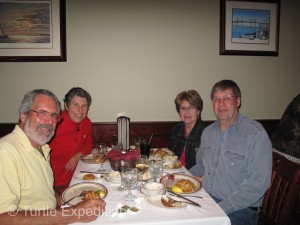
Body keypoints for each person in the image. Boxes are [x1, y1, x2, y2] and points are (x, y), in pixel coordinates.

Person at [0, 89, 105, 225]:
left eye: (54, 115)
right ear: (23, 116)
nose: (49, 121)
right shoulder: (6, 152)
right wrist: (72, 214)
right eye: (41, 113)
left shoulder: (42, 147)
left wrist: (63, 200)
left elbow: (45, 191)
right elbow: (3, 218)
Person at [190, 80, 272, 225]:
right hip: (207, 199)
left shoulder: (255, 134)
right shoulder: (208, 133)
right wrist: (180, 178)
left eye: (227, 98)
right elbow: (201, 167)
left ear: (238, 101)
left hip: (240, 210)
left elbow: (258, 184)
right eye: (216, 99)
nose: (221, 103)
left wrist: (220, 208)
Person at [50, 87, 93, 192]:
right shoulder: (54, 124)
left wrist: (79, 154)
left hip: (79, 177)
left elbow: (89, 144)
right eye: (76, 105)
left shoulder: (86, 122)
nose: (80, 110)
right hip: (55, 185)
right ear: (66, 106)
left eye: (84, 106)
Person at [170, 90, 207, 169]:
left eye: (191, 108)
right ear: (179, 111)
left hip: (196, 177)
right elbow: (170, 157)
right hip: (176, 173)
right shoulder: (176, 129)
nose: (186, 112)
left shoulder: (206, 132)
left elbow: (209, 166)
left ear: (198, 111)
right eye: (183, 108)